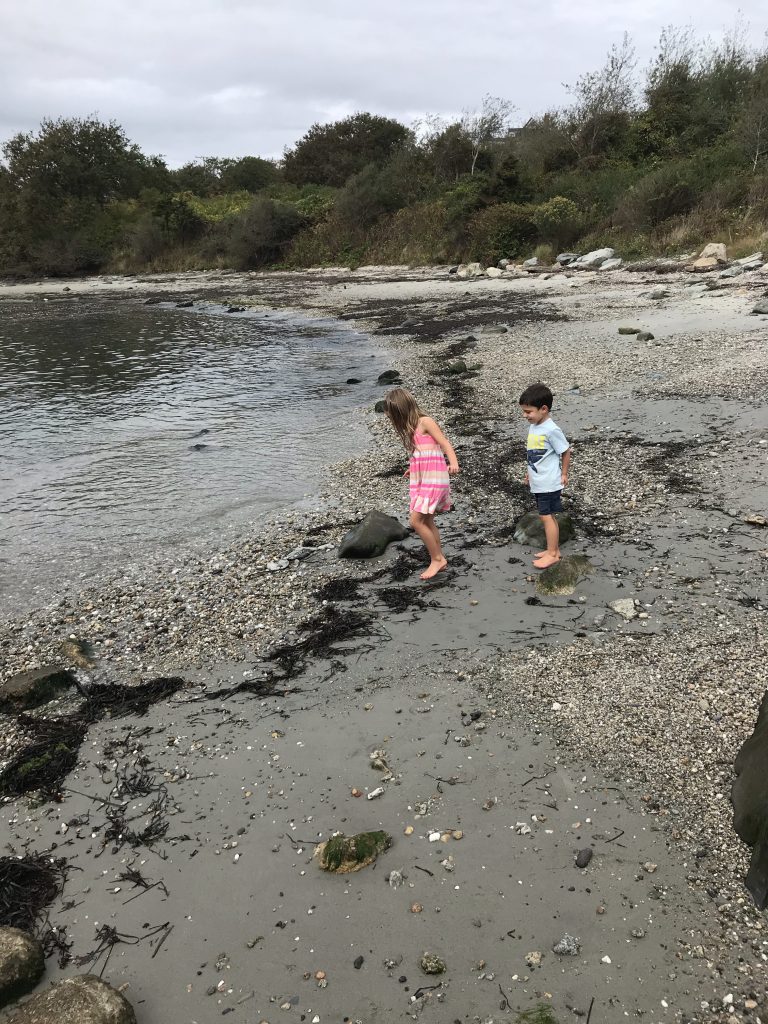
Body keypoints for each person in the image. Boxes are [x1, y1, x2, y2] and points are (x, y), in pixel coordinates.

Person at [383, 387, 459, 580]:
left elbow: (444, 443)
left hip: (435, 479)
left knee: (415, 521)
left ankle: (437, 559)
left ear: (403, 410)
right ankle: (438, 557)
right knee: (427, 520)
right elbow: (423, 453)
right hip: (426, 478)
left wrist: (454, 462)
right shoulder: (411, 429)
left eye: (394, 416)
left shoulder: (425, 422)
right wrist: (414, 468)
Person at [519, 383, 572, 569]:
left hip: (549, 482)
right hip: (538, 480)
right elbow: (534, 455)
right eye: (524, 412)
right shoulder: (535, 426)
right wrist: (529, 473)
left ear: (544, 409)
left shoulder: (551, 429)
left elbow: (565, 451)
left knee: (546, 516)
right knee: (548, 516)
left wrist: (564, 474)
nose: (525, 416)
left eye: (528, 412)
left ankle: (552, 553)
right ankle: (554, 550)